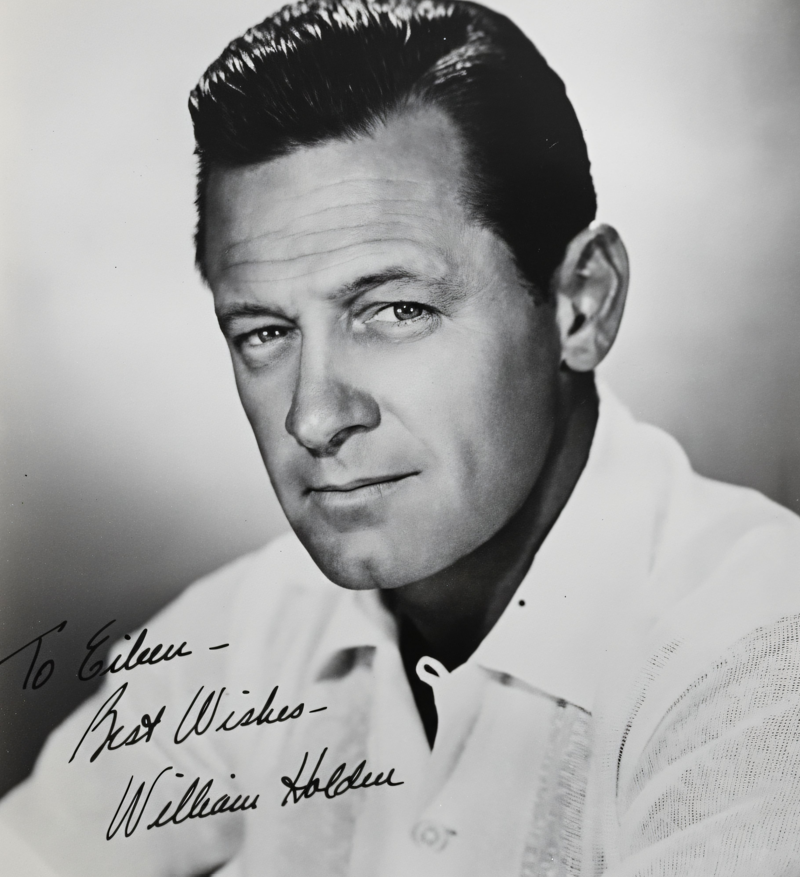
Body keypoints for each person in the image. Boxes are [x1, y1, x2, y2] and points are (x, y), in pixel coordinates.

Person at [2, 1, 799, 875]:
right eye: (265, 331)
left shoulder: (759, 648)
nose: (313, 417)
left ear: (583, 302)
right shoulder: (248, 636)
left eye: (396, 310)